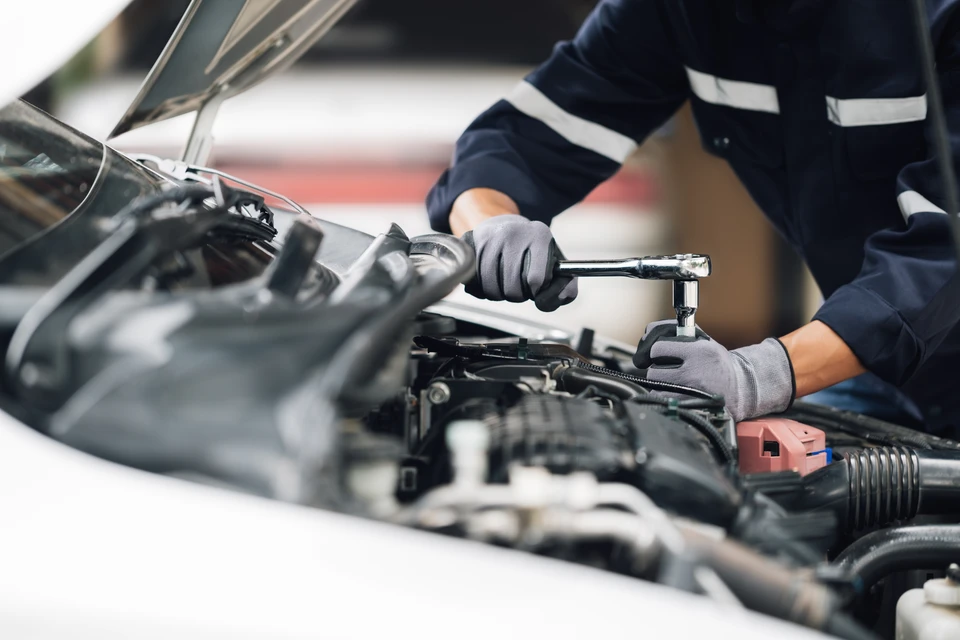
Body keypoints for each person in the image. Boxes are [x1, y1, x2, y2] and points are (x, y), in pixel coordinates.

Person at [425, 0, 960, 436]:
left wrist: (761, 377)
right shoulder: (682, 11)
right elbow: (529, 134)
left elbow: (943, 251)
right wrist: (489, 220)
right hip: (890, 375)